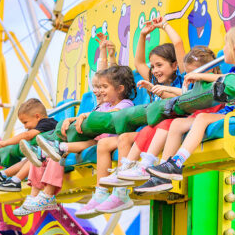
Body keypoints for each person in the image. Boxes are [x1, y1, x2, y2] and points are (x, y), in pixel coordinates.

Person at [75, 16, 188, 218]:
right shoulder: (152, 78)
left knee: (125, 138)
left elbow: (178, 44)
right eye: (153, 67)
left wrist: (164, 25)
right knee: (103, 145)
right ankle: (101, 192)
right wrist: (143, 34)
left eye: (160, 65)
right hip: (151, 129)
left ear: (174, 65)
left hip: (167, 128)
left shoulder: (182, 80)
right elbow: (138, 61)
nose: (155, 70)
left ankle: (121, 192)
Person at [135, 25, 235, 193]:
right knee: (176, 124)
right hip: (231, 114)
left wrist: (200, 75)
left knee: (202, 118)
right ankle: (162, 175)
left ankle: (177, 162)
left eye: (225, 45)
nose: (223, 50)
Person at [14, 65, 137, 216]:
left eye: (104, 87)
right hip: (95, 138)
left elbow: (108, 115)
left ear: (119, 89)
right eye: (100, 87)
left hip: (106, 139)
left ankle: (49, 184)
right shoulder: (103, 105)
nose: (100, 90)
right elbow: (90, 113)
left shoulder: (125, 104)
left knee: (59, 150)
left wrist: (85, 117)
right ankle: (36, 194)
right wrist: (72, 119)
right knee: (51, 153)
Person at [115, 46, 223, 185]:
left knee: (167, 124)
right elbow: (186, 94)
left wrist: (197, 76)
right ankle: (155, 172)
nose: (193, 77)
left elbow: (226, 79)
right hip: (192, 118)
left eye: (195, 73)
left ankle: (151, 166)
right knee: (154, 127)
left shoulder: (213, 81)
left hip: (208, 115)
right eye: (190, 74)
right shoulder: (194, 85)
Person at [0, 98, 57, 191]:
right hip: (45, 156)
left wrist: (5, 143)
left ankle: (16, 180)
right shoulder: (43, 124)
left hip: (54, 156)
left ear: (37, 116)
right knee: (30, 159)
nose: (25, 126)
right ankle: (3, 174)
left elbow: (27, 135)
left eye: (25, 122)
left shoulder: (47, 123)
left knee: (35, 157)